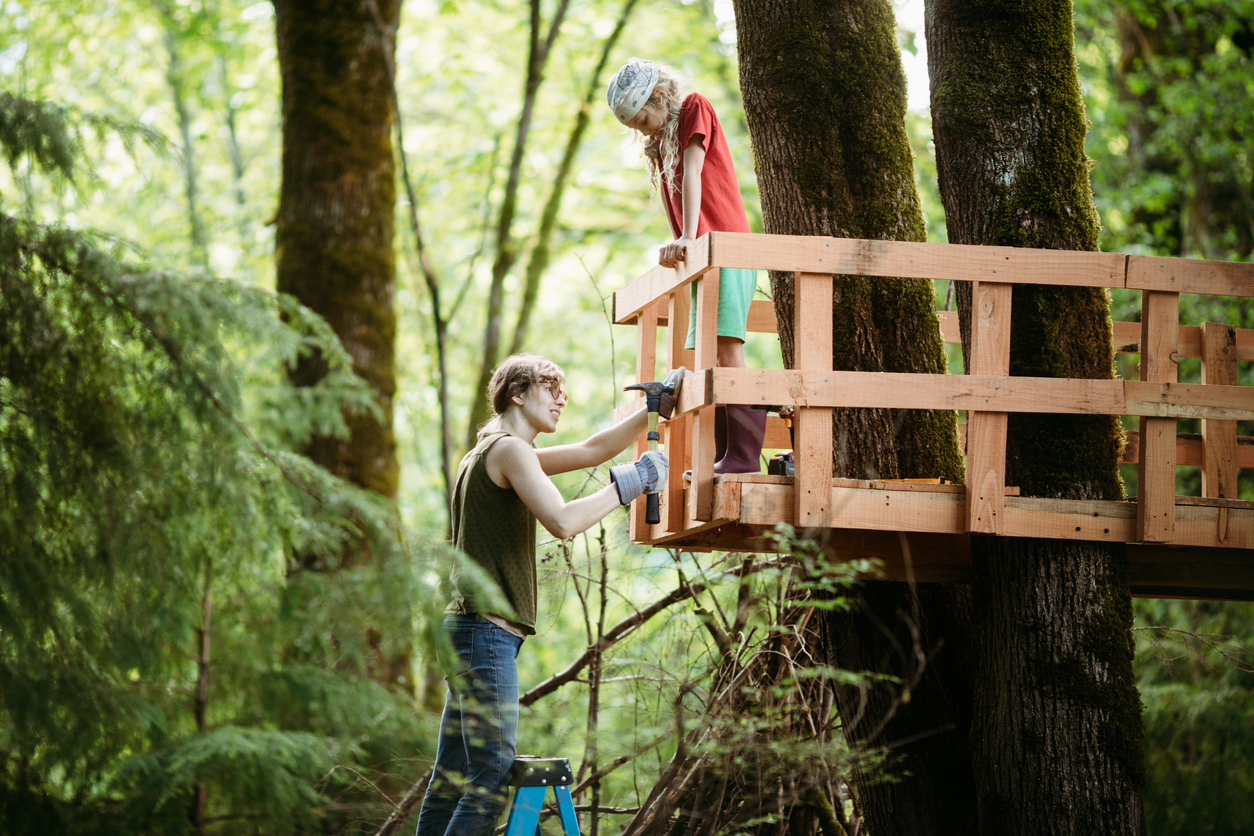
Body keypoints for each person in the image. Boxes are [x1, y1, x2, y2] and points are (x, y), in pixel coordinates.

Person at [415, 354, 671, 836]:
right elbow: (562, 521)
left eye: (564, 390)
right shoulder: (509, 450)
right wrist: (633, 482)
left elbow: (595, 449)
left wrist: (655, 408)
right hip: (484, 631)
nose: (562, 398)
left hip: (469, 631)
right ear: (516, 393)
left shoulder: (492, 450)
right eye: (550, 387)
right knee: (488, 778)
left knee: (451, 780)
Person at [606, 56, 765, 474]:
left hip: (724, 244)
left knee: (727, 348)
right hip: (700, 252)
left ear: (658, 97)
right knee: (706, 355)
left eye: (643, 119)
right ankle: (724, 455)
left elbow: (693, 174)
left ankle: (744, 458)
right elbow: (671, 195)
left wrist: (688, 238)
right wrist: (676, 241)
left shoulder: (694, 106)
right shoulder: (659, 142)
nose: (644, 129)